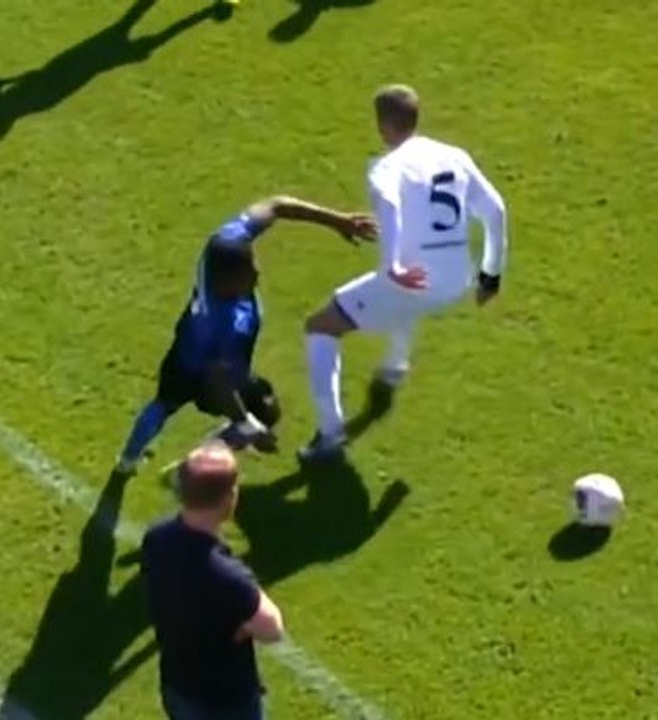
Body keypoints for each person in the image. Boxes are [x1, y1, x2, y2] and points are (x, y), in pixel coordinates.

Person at [298, 84, 509, 460]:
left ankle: (330, 436)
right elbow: (495, 211)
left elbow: (391, 207)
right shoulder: (453, 155)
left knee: (321, 326)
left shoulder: (386, 167)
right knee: (398, 302)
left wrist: (391, 265)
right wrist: (491, 275)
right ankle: (395, 366)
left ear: (382, 126)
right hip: (457, 278)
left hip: (412, 280)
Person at [115, 196, 376, 475]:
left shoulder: (224, 243)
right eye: (248, 272)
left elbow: (276, 206)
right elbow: (220, 382)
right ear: (227, 281)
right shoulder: (225, 324)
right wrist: (247, 425)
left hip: (184, 352)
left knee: (165, 404)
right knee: (262, 410)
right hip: (206, 373)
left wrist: (338, 220)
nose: (257, 272)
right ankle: (187, 469)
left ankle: (128, 462)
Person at [142, 441, 283, 720]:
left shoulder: (157, 537)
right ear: (229, 498)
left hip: (178, 684)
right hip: (224, 702)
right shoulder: (227, 575)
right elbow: (271, 628)